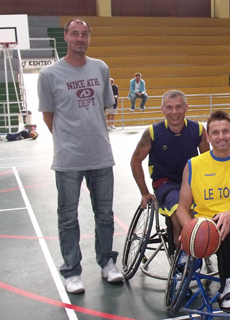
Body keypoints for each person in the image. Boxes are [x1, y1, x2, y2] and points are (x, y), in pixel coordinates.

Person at [38, 19, 123, 294]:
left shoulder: (100, 68)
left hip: (100, 155)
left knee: (105, 216)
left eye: (84, 33)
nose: (79, 38)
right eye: (74, 33)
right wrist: (68, 140)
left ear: (89, 38)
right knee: (67, 218)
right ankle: (72, 271)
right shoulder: (49, 74)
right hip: (68, 159)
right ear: (65, 36)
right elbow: (49, 117)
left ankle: (107, 263)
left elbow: (104, 107)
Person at [176, 110, 230, 310]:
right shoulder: (193, 165)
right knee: (216, 226)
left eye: (226, 131)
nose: (221, 137)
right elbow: (182, 207)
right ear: (208, 137)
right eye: (215, 133)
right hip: (207, 226)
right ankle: (229, 285)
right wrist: (190, 228)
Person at [130, 89, 209, 245]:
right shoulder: (153, 132)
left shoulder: (198, 129)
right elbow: (135, 160)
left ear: (186, 107)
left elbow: (208, 161)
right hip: (165, 183)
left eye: (179, 107)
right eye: (169, 107)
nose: (174, 112)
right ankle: (182, 255)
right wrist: (144, 192)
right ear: (162, 109)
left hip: (191, 182)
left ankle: (196, 246)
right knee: (179, 210)